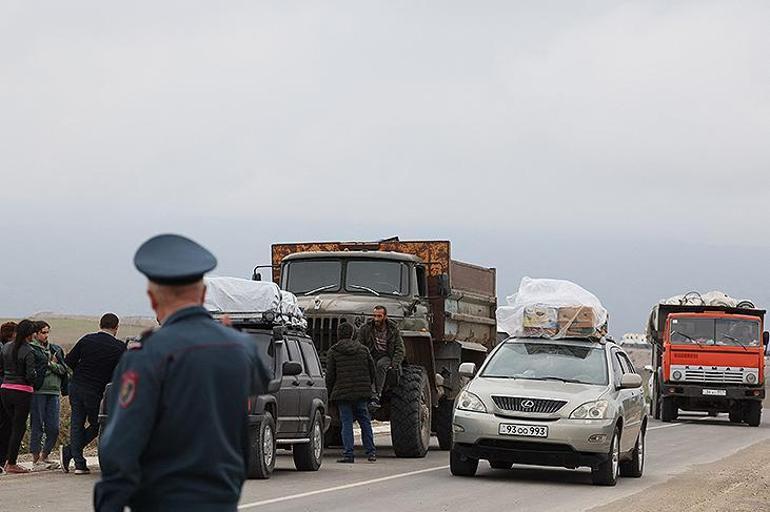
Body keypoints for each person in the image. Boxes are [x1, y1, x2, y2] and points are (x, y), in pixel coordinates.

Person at [94, 233, 270, 512]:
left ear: (153, 299)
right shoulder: (240, 347)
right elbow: (262, 381)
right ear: (202, 295)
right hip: (222, 500)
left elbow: (121, 445)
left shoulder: (147, 355)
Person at [60, 313, 126, 474]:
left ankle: (78, 462)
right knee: (98, 424)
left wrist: (80, 373)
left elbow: (69, 361)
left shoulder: (87, 339)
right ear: (116, 327)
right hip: (95, 390)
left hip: (76, 386)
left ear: (100, 324)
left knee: (77, 422)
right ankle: (71, 454)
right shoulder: (119, 347)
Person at [325, 322, 377, 463]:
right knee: (365, 422)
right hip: (361, 392)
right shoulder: (363, 350)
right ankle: (371, 452)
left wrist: (329, 394)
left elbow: (330, 375)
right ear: (353, 334)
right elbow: (372, 371)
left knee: (346, 423)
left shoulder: (333, 351)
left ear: (338, 334)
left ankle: (349, 454)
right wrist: (368, 387)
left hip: (343, 393)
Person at [0, 319, 38, 474]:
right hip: (22, 391)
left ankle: (5, 460)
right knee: (18, 427)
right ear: (29, 334)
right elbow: (30, 375)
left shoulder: (6, 347)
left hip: (5, 389)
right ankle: (11, 462)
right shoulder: (29, 351)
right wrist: (35, 377)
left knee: (9, 425)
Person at [29, 321, 68, 469]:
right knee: (37, 425)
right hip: (38, 391)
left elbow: (63, 369)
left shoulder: (55, 349)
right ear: (36, 333)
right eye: (43, 332)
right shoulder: (31, 349)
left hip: (54, 391)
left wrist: (50, 365)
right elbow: (35, 371)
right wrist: (50, 364)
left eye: (47, 332)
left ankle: (45, 456)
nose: (46, 336)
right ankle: (36, 458)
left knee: (54, 427)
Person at [356, 305, 405, 401]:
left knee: (380, 365)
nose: (376, 319)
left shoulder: (393, 329)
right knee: (370, 366)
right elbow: (360, 345)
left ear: (385, 316)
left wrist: (394, 364)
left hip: (387, 355)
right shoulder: (366, 328)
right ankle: (369, 393)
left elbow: (400, 348)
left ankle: (377, 393)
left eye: (379, 316)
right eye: (374, 316)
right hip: (372, 354)